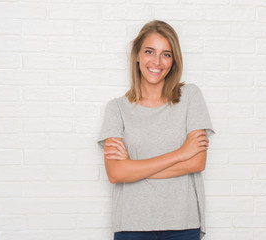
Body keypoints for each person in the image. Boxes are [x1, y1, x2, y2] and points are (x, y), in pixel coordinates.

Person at [97, 20, 215, 240]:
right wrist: (181, 154)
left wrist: (133, 168)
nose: (157, 61)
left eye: (166, 54)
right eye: (149, 51)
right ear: (137, 55)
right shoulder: (117, 109)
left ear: (174, 60)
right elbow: (116, 174)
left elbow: (197, 162)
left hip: (183, 222)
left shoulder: (190, 97)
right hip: (132, 224)